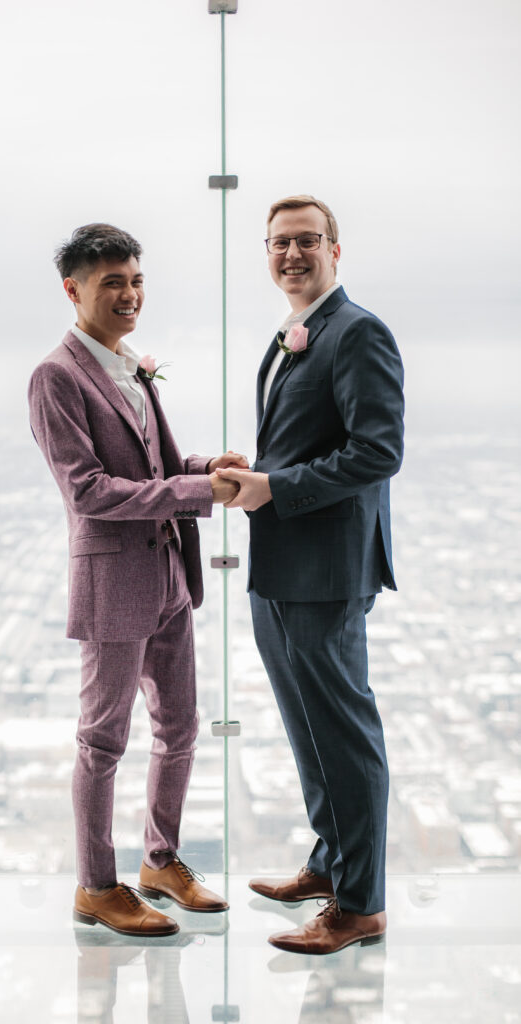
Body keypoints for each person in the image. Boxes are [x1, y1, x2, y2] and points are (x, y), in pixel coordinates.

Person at [28, 223, 244, 937]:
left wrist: (212, 472)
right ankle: (96, 885)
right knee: (102, 741)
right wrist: (194, 495)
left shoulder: (130, 367)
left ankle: (160, 860)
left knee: (180, 729)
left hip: (170, 581)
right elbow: (87, 491)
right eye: (112, 282)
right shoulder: (56, 376)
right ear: (74, 290)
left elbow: (163, 469)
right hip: (114, 587)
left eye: (136, 281)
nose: (128, 295)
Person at [216, 195, 404, 954]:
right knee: (307, 732)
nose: (290, 254)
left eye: (305, 241)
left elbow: (377, 451)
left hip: (325, 569)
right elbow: (302, 443)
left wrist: (275, 489)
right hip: (281, 566)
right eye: (277, 243)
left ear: (334, 248)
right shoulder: (297, 334)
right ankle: (332, 864)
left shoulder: (357, 332)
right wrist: (252, 471)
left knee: (343, 735)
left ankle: (360, 906)